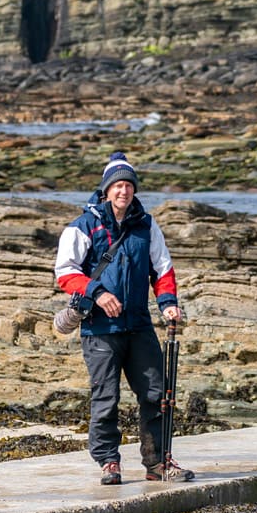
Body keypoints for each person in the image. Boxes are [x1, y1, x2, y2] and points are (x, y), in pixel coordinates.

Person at [54, 151, 194, 485]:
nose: (123, 191)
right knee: (106, 398)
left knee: (156, 393)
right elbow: (66, 271)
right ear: (106, 189)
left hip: (139, 325)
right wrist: (99, 293)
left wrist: (168, 303)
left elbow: (162, 268)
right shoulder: (83, 225)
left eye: (128, 185)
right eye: (117, 185)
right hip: (100, 329)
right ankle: (108, 462)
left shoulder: (146, 225)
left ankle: (158, 463)